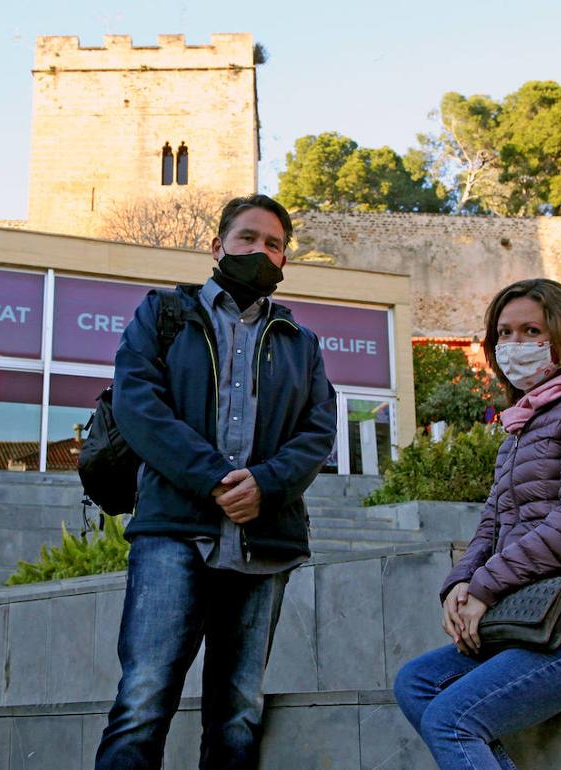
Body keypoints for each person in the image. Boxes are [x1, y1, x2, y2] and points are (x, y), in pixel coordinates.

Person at [94, 194, 338, 769]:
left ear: (284, 261)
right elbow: (138, 405)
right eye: (247, 238)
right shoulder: (163, 314)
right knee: (143, 699)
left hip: (264, 544)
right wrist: (212, 480)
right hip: (172, 532)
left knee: (238, 713)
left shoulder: (301, 344)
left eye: (273, 244)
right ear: (217, 246)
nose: (259, 251)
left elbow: (318, 430)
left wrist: (266, 485)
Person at [393, 278, 561, 770]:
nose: (514, 345)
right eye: (503, 334)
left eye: (531, 330)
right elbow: (491, 521)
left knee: (451, 719)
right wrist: (460, 586)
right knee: (417, 683)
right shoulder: (522, 424)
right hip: (534, 623)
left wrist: (486, 588)